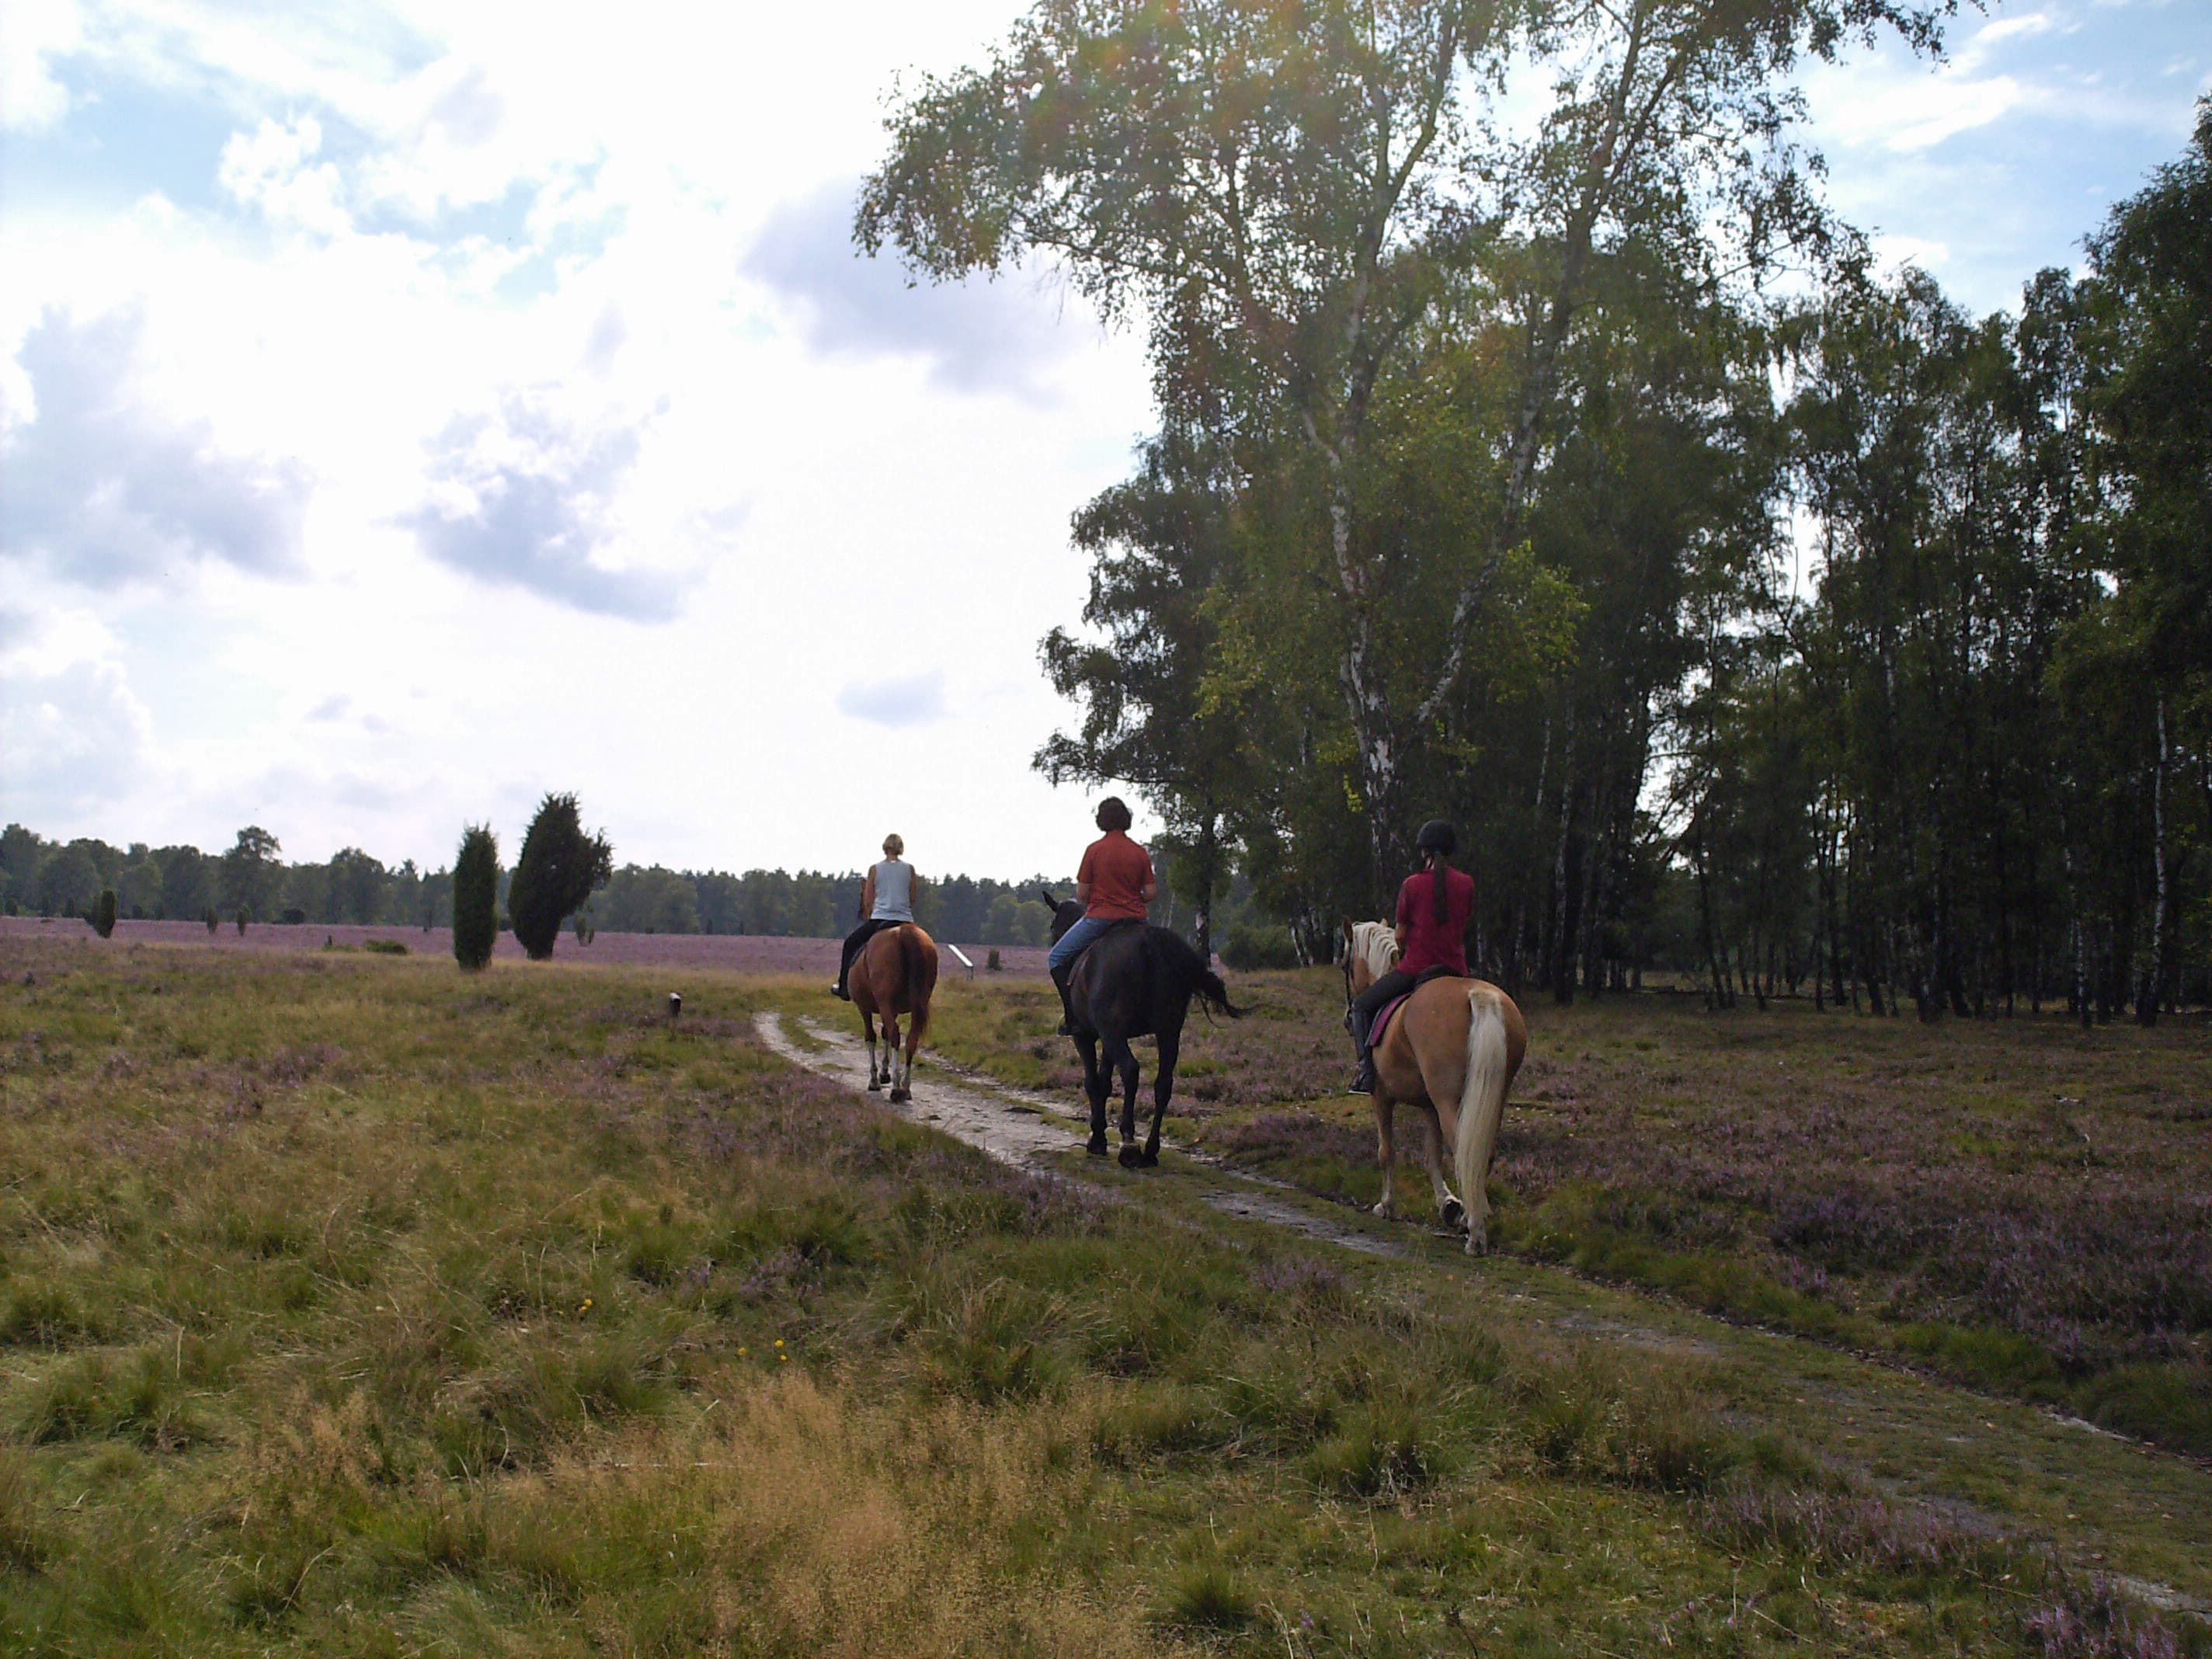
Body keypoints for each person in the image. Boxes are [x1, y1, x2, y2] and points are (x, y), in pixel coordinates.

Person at [1347, 819, 1475, 1094]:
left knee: (1361, 1007)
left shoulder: (1412, 885)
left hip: (1417, 969)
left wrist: (1402, 953)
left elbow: (1401, 935)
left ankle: (1366, 1073)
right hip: (1456, 970)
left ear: (1423, 852)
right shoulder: (1466, 884)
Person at [1048, 797, 1158, 1035]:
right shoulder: (1139, 852)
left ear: (1102, 820)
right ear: (1126, 820)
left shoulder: (1094, 850)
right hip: (1136, 919)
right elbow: (1151, 893)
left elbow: (1082, 893)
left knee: (1056, 958)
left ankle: (1073, 1017)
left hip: (1101, 917)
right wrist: (1132, 897)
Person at [830, 834, 920, 1000]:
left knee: (850, 944)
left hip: (881, 919)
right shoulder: (910, 869)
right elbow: (913, 898)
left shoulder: (875, 869)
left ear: (885, 847)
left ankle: (843, 987)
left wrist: (872, 910)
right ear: (900, 848)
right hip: (905, 919)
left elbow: (868, 898)